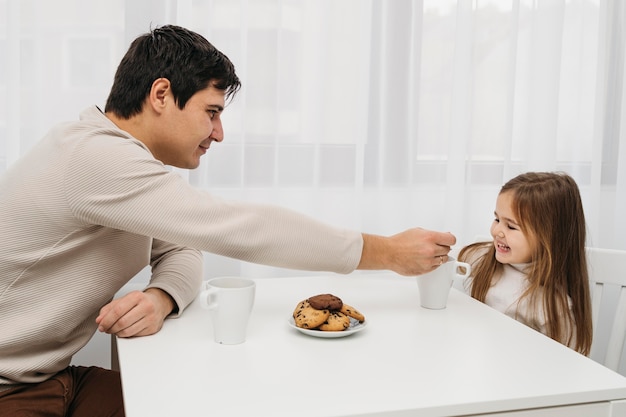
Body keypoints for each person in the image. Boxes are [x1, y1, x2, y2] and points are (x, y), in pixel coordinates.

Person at [0, 25, 456, 416]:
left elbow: (183, 246)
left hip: (52, 379)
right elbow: (241, 227)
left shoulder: (123, 164)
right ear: (161, 94)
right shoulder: (95, 158)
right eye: (212, 112)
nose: (218, 133)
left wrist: (162, 296)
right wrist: (387, 252)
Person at [458, 171, 592, 355]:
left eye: (511, 226)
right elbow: (442, 260)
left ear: (549, 238)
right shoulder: (481, 258)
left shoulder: (553, 306)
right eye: (497, 219)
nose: (497, 231)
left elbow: (564, 367)